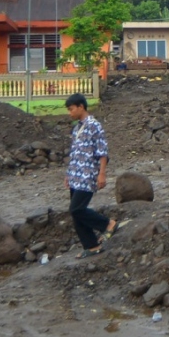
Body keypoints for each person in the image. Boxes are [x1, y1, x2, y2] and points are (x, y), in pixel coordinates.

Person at [64, 93, 119, 258]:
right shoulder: (77, 128)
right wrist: (68, 174)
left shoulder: (95, 125)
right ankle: (92, 246)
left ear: (81, 106)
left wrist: (102, 174)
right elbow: (75, 153)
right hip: (75, 175)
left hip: (88, 175)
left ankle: (108, 224)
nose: (70, 113)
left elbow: (102, 152)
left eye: (71, 109)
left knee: (76, 209)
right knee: (76, 213)